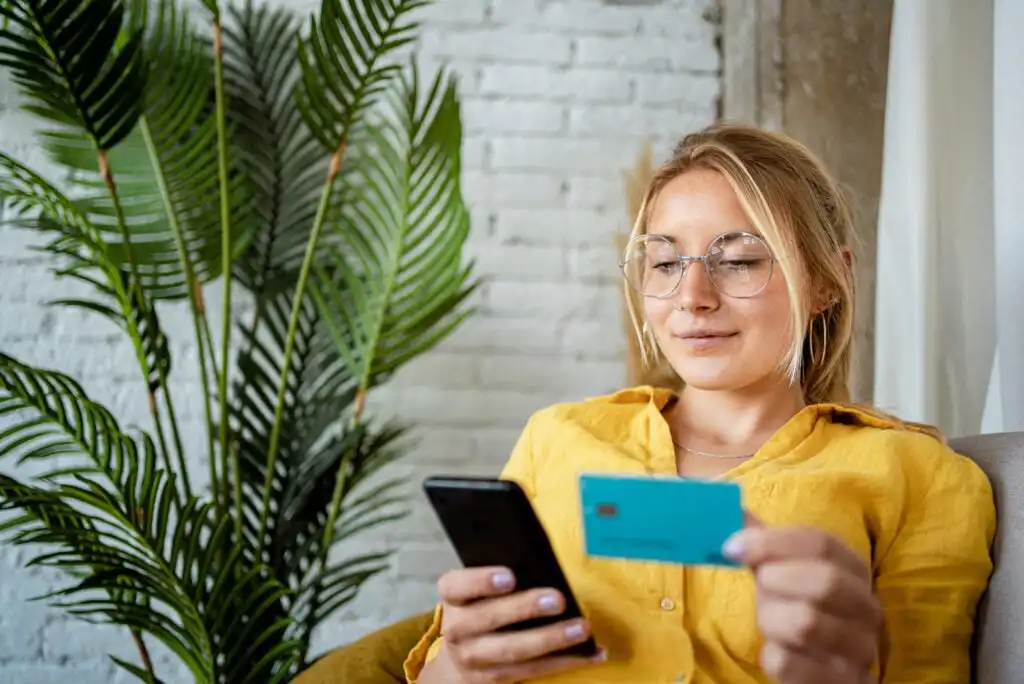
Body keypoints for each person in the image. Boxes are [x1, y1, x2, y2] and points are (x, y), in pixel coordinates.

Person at [403, 123, 997, 683]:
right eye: (664, 262)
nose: (691, 297)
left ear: (825, 281)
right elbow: (444, 666)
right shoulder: (557, 437)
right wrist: (460, 664)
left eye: (737, 261)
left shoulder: (922, 478)